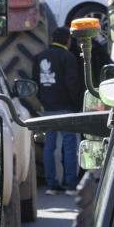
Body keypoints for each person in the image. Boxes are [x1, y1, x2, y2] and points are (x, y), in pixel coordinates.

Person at [34, 17, 85, 190]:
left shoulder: (39, 57)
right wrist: (77, 104)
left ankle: (51, 184)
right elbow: (72, 84)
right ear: (68, 40)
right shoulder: (68, 57)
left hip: (47, 109)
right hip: (66, 108)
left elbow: (35, 83)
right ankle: (70, 183)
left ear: (52, 39)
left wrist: (43, 100)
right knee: (69, 145)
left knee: (49, 146)